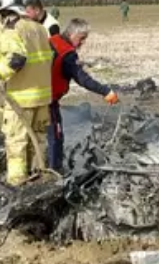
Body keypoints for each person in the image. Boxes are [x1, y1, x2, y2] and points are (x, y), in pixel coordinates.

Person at [0, 0, 54, 185]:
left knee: (16, 142)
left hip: (20, 97)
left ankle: (17, 184)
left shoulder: (12, 28)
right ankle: (39, 179)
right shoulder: (39, 28)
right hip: (42, 97)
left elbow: (17, 59)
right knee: (38, 141)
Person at [48, 18, 118, 172]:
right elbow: (82, 79)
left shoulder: (53, 40)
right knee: (56, 137)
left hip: (36, 96)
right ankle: (54, 172)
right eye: (82, 38)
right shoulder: (67, 54)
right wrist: (106, 91)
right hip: (49, 99)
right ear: (73, 33)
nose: (82, 43)